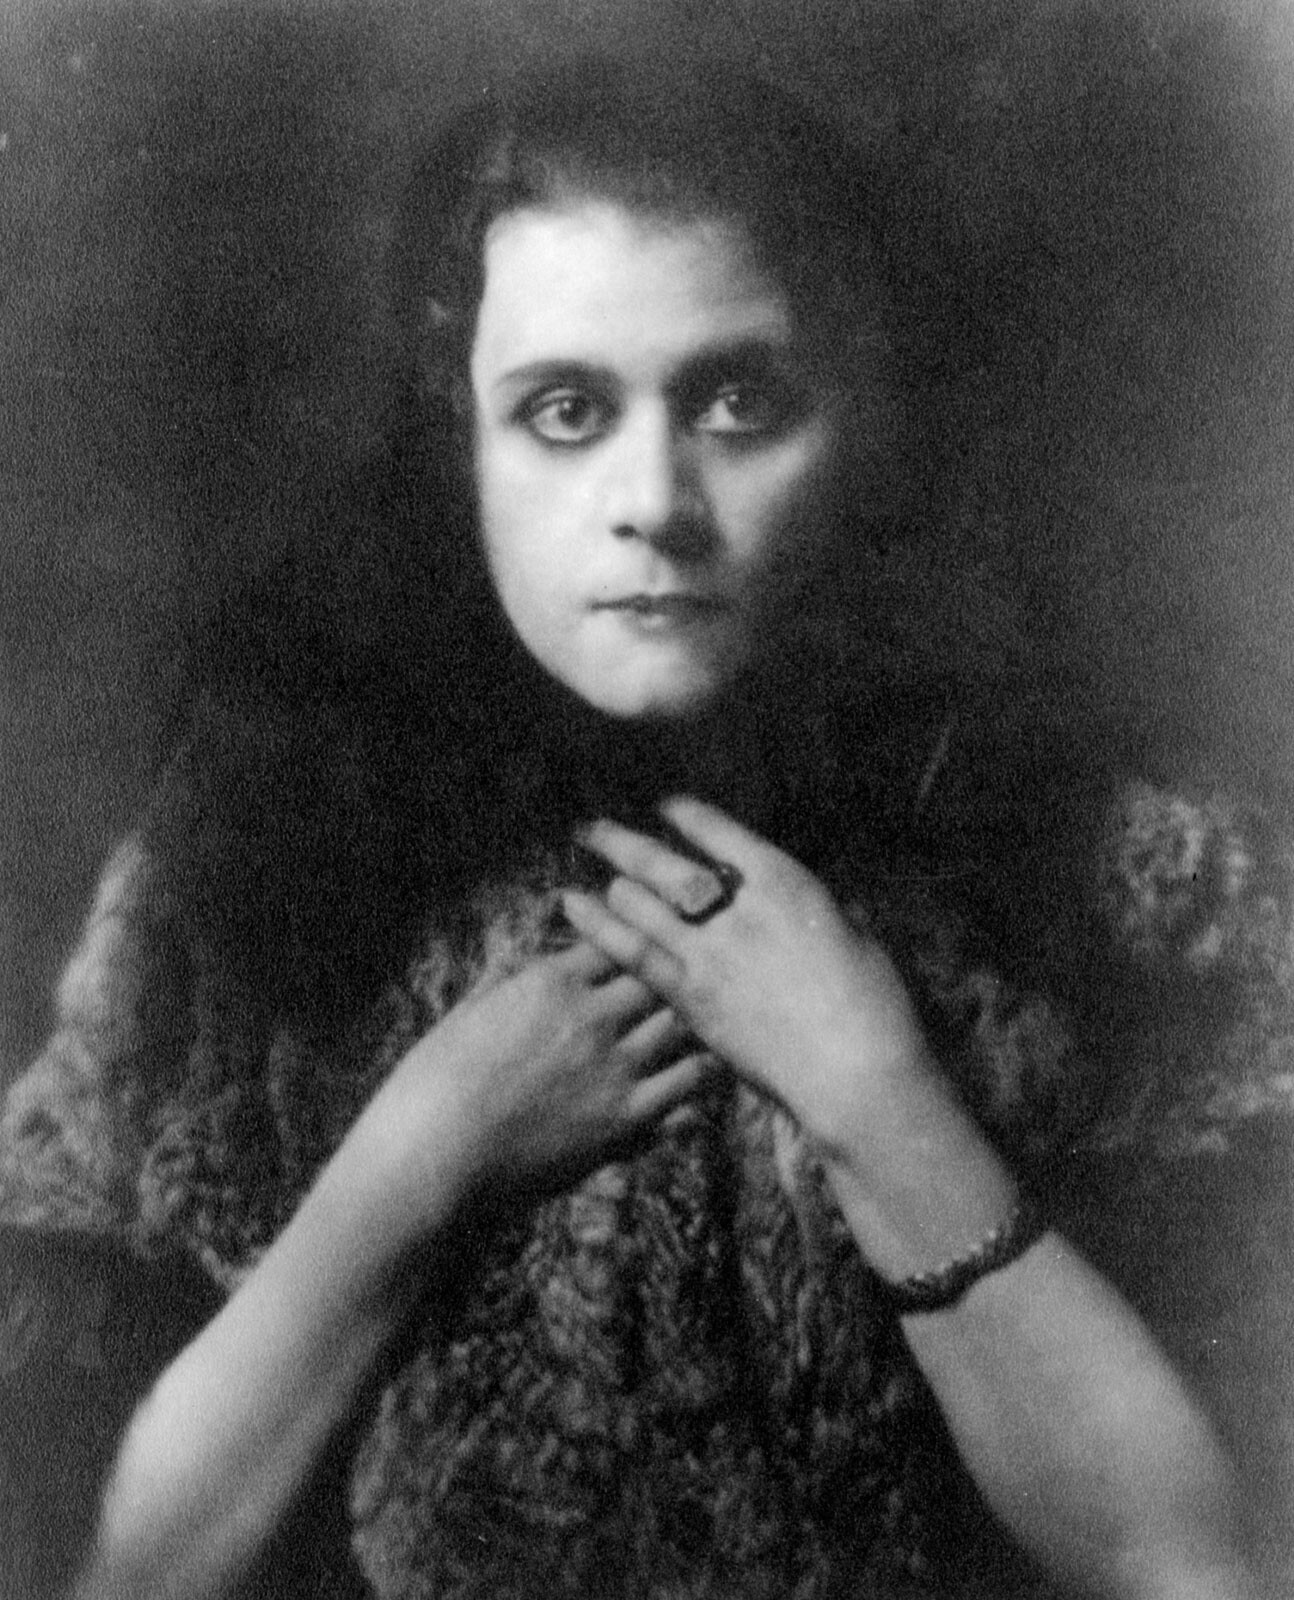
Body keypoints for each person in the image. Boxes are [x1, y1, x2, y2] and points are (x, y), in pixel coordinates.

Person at [0, 53, 1266, 1600]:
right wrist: (417, 1158)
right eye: (564, 411)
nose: (654, 499)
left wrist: (878, 1104)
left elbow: (1205, 1566)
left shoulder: (1111, 870)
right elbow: (115, 1578)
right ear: (458, 447)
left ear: (857, 426)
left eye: (738, 402)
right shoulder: (247, 865)